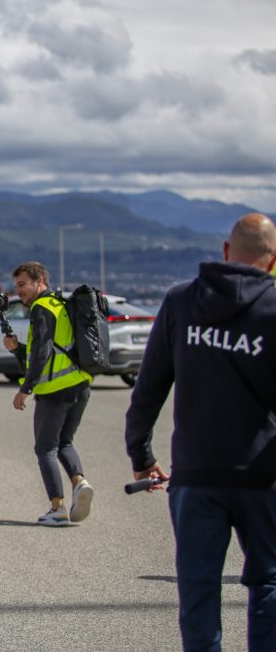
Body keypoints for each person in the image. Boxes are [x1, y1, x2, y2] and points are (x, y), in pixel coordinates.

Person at [125, 213, 276, 652]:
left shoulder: (179, 302)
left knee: (198, 588)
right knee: (268, 581)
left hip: (194, 475)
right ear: (272, 261)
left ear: (226, 252)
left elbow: (149, 386)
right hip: (263, 477)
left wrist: (141, 454)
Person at [3, 261, 94, 527]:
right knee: (64, 441)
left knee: (45, 448)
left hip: (55, 390)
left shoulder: (41, 309)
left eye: (23, 285)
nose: (19, 291)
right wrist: (18, 349)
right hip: (80, 384)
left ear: (39, 281)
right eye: (16, 286)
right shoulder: (59, 304)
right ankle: (80, 482)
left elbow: (42, 353)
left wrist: (25, 388)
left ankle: (58, 508)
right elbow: (53, 349)